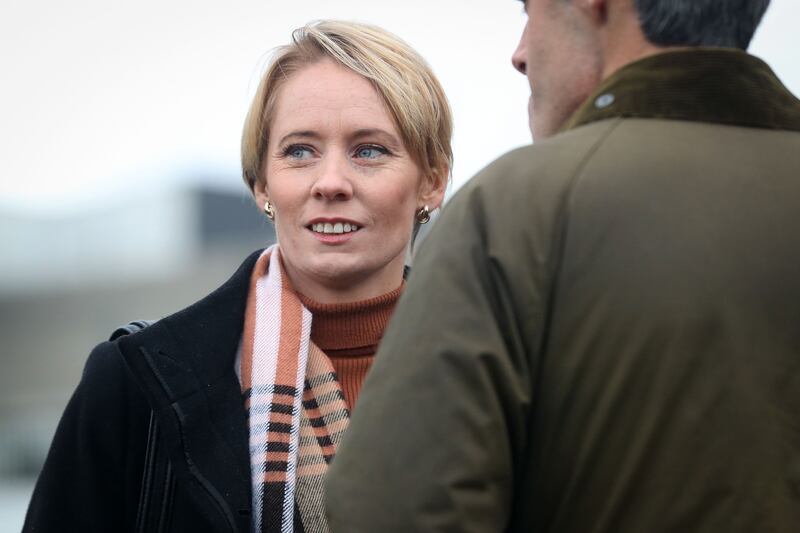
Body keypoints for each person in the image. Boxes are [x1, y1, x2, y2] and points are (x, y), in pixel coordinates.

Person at [325, 1, 800, 531]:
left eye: (532, 10)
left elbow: (395, 510)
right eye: (299, 151)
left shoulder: (517, 209)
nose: (519, 54)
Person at [23, 20, 451, 532]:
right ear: (262, 185)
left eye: (369, 150)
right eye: (299, 151)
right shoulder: (133, 384)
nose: (331, 182)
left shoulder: (503, 369)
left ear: (432, 181)